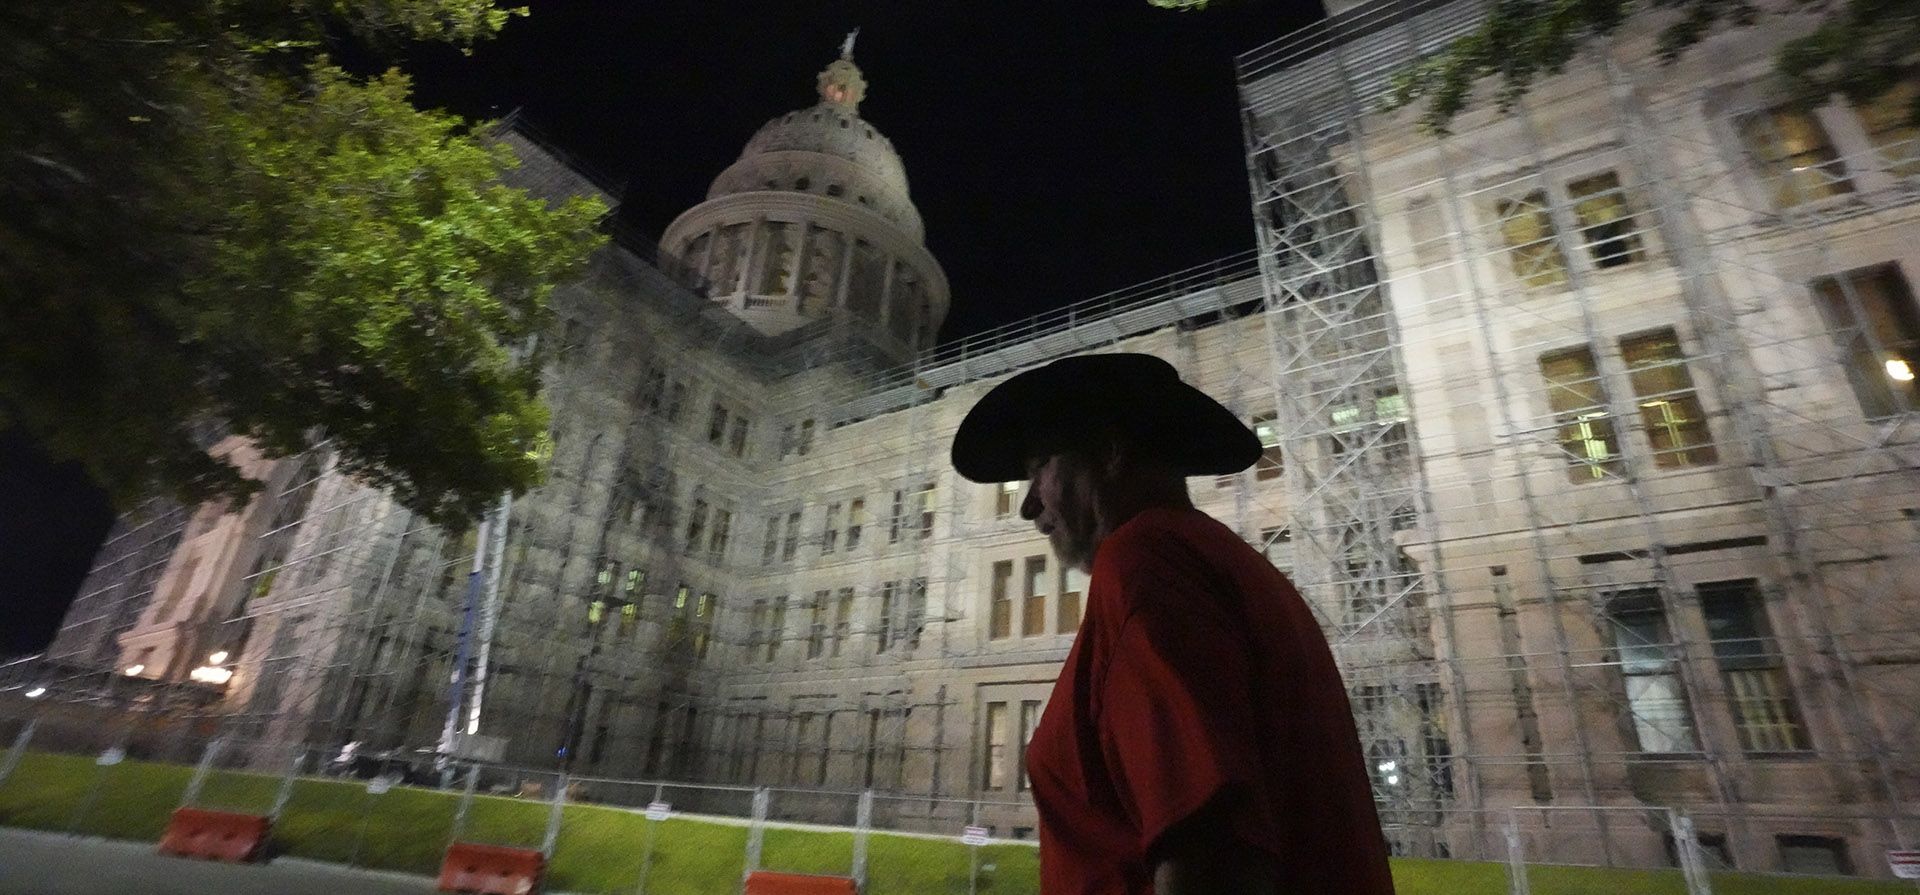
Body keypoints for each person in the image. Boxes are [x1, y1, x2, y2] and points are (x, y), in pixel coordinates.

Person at [950, 353, 1394, 895]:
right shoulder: (1229, 564)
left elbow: (1211, 840)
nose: (1028, 505)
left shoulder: (1145, 556)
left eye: (1040, 466)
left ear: (1110, 453)